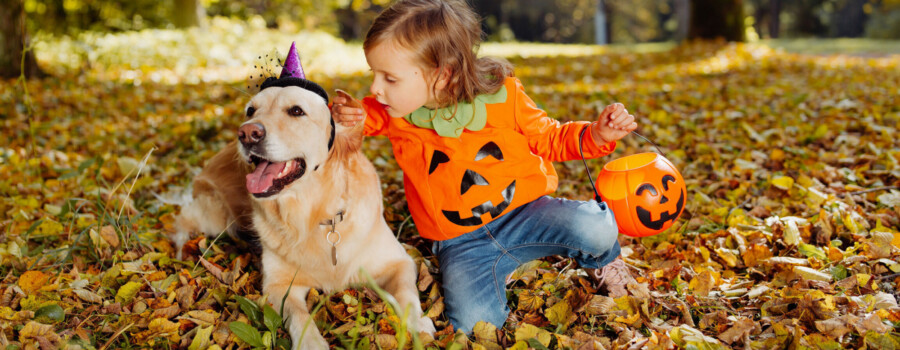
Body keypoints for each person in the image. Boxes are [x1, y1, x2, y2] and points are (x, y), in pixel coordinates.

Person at [331, 0, 638, 334]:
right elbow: (357, 122)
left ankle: (602, 262)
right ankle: (502, 265)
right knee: (474, 324)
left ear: (443, 74)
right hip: (462, 242)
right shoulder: (393, 110)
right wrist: (348, 118)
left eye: (389, 78)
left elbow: (550, 138)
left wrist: (595, 134)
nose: (376, 88)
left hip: (526, 214)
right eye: (373, 75)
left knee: (597, 228)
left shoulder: (504, 98)